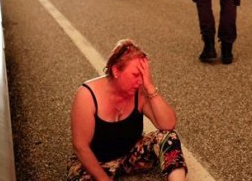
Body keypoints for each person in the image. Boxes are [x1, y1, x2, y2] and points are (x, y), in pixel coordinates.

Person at [68, 39, 187, 181]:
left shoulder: (140, 91)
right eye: (136, 75)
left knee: (169, 137)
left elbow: (168, 125)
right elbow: (81, 147)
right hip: (97, 162)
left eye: (143, 76)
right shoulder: (87, 95)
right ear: (116, 70)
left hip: (130, 156)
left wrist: (150, 86)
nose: (140, 81)